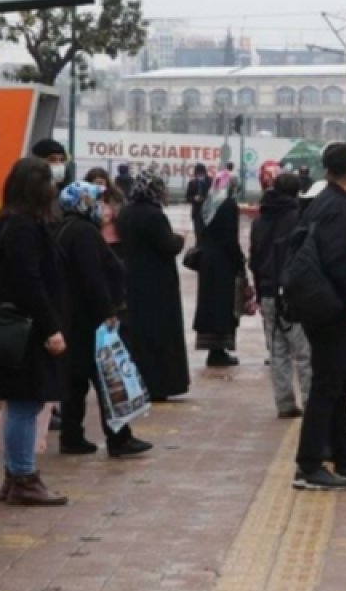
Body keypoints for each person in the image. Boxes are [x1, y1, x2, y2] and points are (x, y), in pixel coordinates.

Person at [0, 157, 71, 507]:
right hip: (27, 329)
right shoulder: (23, 227)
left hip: (15, 325)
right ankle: (23, 476)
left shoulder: (5, 223)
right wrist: (51, 327)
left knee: (21, 401)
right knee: (26, 401)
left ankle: (15, 475)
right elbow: (29, 281)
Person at [292, 143, 346, 491]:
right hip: (330, 306)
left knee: (340, 384)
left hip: (321, 303)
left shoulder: (323, 200)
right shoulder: (340, 208)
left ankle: (344, 458)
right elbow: (339, 260)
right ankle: (309, 464)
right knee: (329, 384)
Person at [55, 182, 153, 458]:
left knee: (76, 379)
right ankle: (119, 437)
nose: (103, 208)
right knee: (108, 379)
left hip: (72, 317)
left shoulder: (64, 228)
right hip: (90, 319)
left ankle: (72, 435)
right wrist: (107, 311)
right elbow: (93, 277)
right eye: (97, 201)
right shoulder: (84, 232)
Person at [117, 170, 191, 400]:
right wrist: (180, 239)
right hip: (157, 284)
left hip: (132, 280)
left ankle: (140, 384)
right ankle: (161, 384)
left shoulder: (126, 213)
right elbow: (167, 245)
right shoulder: (154, 215)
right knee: (160, 335)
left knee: (139, 335)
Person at [249, 173, 312, 418]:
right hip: (293, 293)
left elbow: (255, 259)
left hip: (267, 291)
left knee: (277, 351)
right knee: (304, 352)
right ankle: (310, 402)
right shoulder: (299, 218)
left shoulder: (260, 220)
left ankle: (284, 402)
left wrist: (259, 290)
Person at [194, 171, 248, 367]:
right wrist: (240, 260)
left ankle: (213, 348)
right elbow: (230, 238)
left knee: (209, 303)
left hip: (206, 261)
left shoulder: (208, 203)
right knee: (223, 305)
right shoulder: (228, 205)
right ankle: (219, 350)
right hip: (223, 262)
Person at [84, 168, 125, 253]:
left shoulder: (114, 197)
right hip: (94, 242)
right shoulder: (84, 199)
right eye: (94, 183)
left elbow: (121, 217)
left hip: (114, 243)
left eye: (101, 183)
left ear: (106, 183)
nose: (98, 186)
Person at [185, 164, 211, 238]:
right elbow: (187, 197)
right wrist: (194, 198)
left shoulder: (210, 182)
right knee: (198, 234)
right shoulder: (192, 183)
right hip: (197, 212)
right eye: (198, 174)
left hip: (208, 212)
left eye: (202, 174)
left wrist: (206, 197)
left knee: (208, 235)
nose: (200, 176)